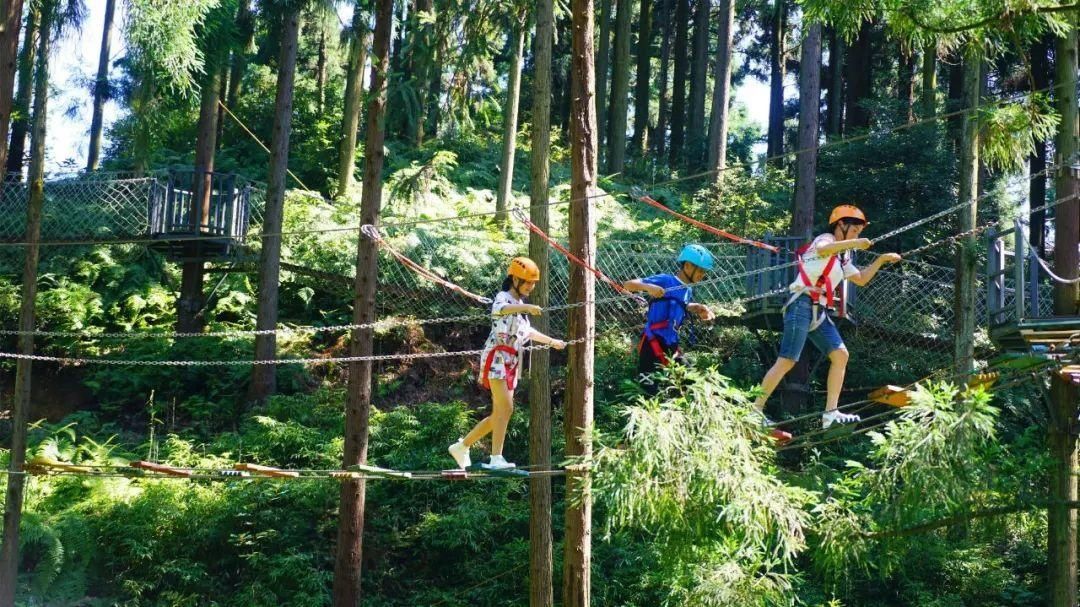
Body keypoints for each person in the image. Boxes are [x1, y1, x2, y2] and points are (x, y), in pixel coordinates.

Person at [754, 205, 902, 429]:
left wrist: (880, 260)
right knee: (787, 360)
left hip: (819, 310)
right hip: (801, 303)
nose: (857, 235)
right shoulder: (825, 239)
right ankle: (755, 411)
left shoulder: (843, 257)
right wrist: (854, 243)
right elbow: (824, 250)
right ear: (840, 226)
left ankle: (830, 414)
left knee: (841, 355)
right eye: (854, 230)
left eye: (859, 232)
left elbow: (860, 279)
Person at [448, 257, 567, 470]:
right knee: (506, 408)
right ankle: (495, 458)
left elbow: (527, 332)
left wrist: (552, 342)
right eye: (527, 282)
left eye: (532, 283)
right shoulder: (503, 298)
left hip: (512, 360)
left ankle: (462, 446)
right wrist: (527, 308)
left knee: (501, 413)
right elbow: (501, 309)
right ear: (514, 279)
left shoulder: (520, 305)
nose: (531, 287)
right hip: (497, 357)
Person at [623, 244, 717, 392]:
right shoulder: (666, 280)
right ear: (687, 266)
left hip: (671, 344)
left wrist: (697, 307)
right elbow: (628, 285)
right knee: (647, 387)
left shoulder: (687, 289)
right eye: (700, 270)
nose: (702, 275)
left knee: (690, 382)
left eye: (704, 272)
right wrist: (648, 287)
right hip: (652, 343)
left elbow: (678, 304)